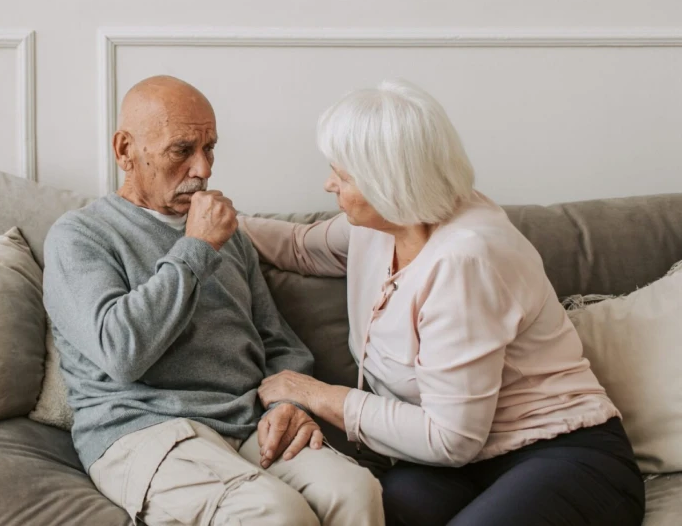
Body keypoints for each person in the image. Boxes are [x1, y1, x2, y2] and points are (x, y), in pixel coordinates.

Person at [239, 79, 646, 526]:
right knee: (364, 515)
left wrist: (311, 393)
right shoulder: (379, 227)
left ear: (386, 182)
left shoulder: (465, 258)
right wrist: (205, 221)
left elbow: (451, 438)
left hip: (563, 453)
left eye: (343, 174)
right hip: (455, 468)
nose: (328, 183)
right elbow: (299, 247)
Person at [42, 75, 383, 526]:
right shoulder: (80, 235)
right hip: (144, 431)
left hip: (245, 421)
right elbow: (121, 353)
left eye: (210, 148)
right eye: (182, 150)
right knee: (275, 513)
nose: (203, 169)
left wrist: (288, 405)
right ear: (125, 150)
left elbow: (277, 342)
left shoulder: (229, 235)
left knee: (355, 490)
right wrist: (197, 247)